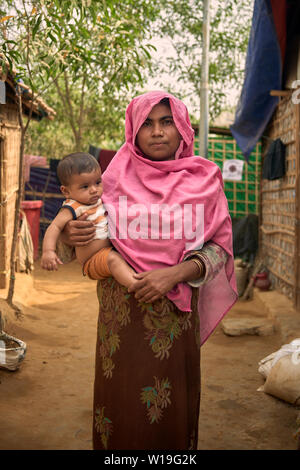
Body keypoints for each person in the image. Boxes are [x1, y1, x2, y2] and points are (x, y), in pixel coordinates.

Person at [61, 91, 237, 450]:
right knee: (120, 408)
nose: (157, 132)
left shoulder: (204, 180)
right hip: (121, 324)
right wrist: (70, 234)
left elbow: (219, 249)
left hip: (175, 326)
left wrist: (174, 274)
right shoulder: (109, 181)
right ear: (133, 131)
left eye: (167, 121)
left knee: (172, 414)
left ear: (183, 128)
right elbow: (88, 247)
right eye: (146, 123)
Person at [41, 152, 135, 288]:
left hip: (108, 250)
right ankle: (137, 285)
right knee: (114, 260)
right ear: (66, 191)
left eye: (98, 182)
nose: (94, 190)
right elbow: (54, 227)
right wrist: (48, 251)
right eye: (85, 187)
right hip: (93, 258)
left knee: (118, 258)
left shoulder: (98, 201)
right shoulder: (72, 207)